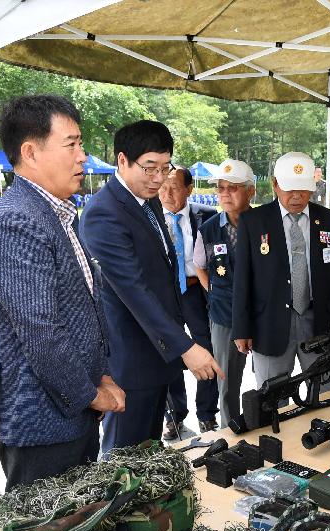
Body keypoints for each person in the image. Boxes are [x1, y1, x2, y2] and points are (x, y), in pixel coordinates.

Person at [0, 95, 124, 491]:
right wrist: (92, 394)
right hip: (43, 426)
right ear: (30, 152)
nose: (83, 157)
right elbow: (41, 331)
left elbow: (83, 311)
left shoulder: (56, 214)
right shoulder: (16, 221)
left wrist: (102, 375)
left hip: (72, 415)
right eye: (71, 144)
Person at [80, 119, 222, 454]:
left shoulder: (147, 200)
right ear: (122, 161)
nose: (159, 178)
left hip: (157, 357)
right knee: (122, 461)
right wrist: (186, 346)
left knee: (148, 456)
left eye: (165, 167)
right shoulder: (104, 213)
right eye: (149, 168)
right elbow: (134, 290)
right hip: (131, 363)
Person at [232, 152, 330, 391]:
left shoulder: (329, 220)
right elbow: (243, 280)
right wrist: (241, 329)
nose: (297, 196)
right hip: (270, 324)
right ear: (275, 184)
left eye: (303, 190)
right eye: (290, 189)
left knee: (329, 391)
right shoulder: (254, 221)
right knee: (272, 398)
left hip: (319, 321)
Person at [193, 159, 256, 428]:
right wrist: (216, 293)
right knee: (227, 379)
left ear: (251, 190)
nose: (226, 194)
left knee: (270, 374)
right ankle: (229, 429)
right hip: (223, 314)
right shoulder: (208, 229)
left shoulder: (264, 223)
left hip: (261, 310)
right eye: (221, 188)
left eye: (234, 188)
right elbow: (199, 266)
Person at [158, 166, 219, 439]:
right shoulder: (151, 217)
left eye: (174, 187)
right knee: (169, 351)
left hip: (195, 291)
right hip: (164, 294)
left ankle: (207, 415)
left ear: (189, 189)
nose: (167, 193)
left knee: (206, 348)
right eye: (162, 187)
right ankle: (175, 416)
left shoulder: (207, 216)